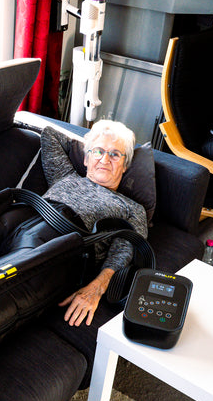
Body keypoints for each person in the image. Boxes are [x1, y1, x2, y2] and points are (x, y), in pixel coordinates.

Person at [40, 120, 148, 327]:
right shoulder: (65, 175)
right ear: (86, 158)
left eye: (115, 154)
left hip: (55, 253)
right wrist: (89, 146)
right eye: (98, 152)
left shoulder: (132, 208)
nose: (105, 159)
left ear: (125, 166)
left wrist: (97, 287)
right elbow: (49, 134)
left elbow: (125, 250)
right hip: (22, 226)